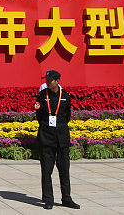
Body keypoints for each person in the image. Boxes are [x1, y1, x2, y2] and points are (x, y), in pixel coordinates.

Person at [35, 69, 80, 210]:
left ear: (57, 81)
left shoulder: (65, 96)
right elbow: (38, 115)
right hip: (46, 136)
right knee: (46, 170)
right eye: (46, 80)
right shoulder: (41, 96)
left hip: (62, 136)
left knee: (64, 169)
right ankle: (48, 199)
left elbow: (68, 116)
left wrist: (59, 125)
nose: (48, 82)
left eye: (50, 80)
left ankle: (67, 198)